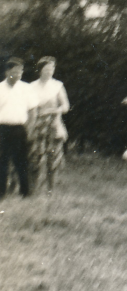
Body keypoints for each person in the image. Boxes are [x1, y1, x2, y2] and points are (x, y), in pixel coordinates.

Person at [28, 56, 70, 194]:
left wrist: (55, 110)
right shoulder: (31, 86)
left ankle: (50, 190)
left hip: (54, 124)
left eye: (52, 69)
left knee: (53, 158)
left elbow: (65, 106)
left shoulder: (58, 85)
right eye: (46, 69)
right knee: (35, 157)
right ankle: (32, 189)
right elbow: (27, 106)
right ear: (40, 70)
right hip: (37, 124)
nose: (49, 71)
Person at [0, 58, 37, 199]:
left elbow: (33, 111)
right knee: (2, 161)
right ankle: (1, 193)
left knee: (21, 161)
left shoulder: (26, 88)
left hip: (19, 129)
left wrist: (30, 129)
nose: (17, 75)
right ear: (7, 71)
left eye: (20, 72)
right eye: (14, 72)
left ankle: (25, 193)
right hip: (2, 129)